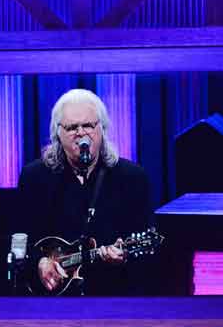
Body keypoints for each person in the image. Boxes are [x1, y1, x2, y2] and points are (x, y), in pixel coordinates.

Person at [17, 88, 152, 296]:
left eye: (88, 125)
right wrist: (39, 262)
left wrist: (123, 255)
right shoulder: (34, 176)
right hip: (52, 300)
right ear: (57, 134)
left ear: (102, 129)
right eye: (72, 127)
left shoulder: (132, 178)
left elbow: (147, 248)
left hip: (112, 296)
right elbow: (19, 236)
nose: (81, 133)